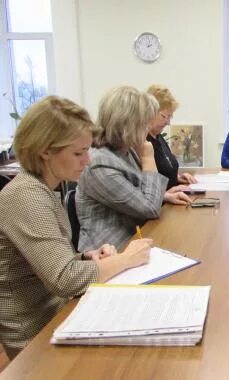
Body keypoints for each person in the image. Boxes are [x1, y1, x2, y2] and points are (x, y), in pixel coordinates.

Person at [0, 96, 152, 359]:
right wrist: (127, 259)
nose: (87, 160)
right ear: (45, 150)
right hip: (36, 332)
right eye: (78, 153)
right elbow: (65, 280)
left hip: (59, 312)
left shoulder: (44, 188)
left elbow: (51, 260)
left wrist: (85, 257)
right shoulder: (25, 196)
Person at [76, 86, 191, 253]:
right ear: (128, 124)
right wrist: (148, 158)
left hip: (136, 239)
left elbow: (133, 191)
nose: (148, 127)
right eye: (145, 122)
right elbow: (150, 208)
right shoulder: (99, 163)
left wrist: (165, 195)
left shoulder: (125, 149)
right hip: (110, 252)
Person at [146, 84, 197, 190]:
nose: (168, 122)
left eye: (170, 116)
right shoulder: (143, 142)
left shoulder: (158, 137)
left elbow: (164, 171)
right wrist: (167, 194)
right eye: (165, 116)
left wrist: (177, 178)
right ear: (150, 112)